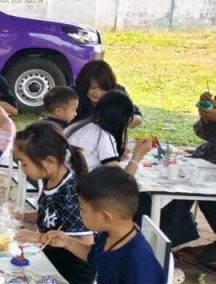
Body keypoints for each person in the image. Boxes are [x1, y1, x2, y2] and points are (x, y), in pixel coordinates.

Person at [12, 123, 95, 284]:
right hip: (51, 259)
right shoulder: (50, 177)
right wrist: (20, 215)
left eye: (24, 163)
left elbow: (87, 243)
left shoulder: (71, 192)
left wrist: (40, 238)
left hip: (71, 274)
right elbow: (49, 214)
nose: (21, 168)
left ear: (49, 161)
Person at [144, 91, 216, 272]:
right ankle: (161, 237)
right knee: (183, 187)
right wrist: (207, 119)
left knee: (207, 198)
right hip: (208, 160)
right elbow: (204, 134)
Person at [65, 90, 151, 174]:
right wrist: (137, 155)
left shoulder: (76, 126)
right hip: (76, 182)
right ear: (121, 119)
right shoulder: (104, 137)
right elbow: (121, 181)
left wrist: (114, 154)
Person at [73, 60, 143, 128]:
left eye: (103, 89)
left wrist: (119, 120)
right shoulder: (72, 94)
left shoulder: (117, 93)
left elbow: (137, 117)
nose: (97, 93)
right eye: (93, 88)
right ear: (83, 85)